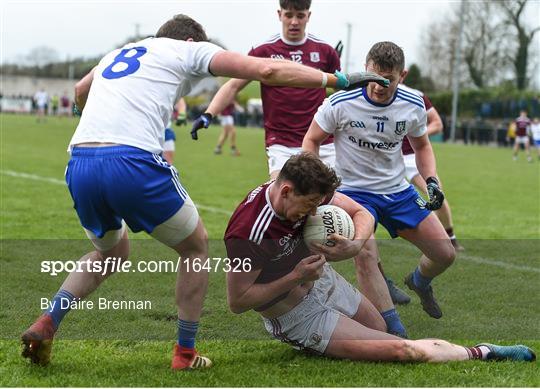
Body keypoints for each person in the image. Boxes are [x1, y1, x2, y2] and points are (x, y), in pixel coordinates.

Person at [20, 14, 384, 370]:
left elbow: (80, 90)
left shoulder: (123, 51)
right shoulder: (185, 50)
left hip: (81, 160)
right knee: (195, 248)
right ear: (192, 42)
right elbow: (266, 70)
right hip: (131, 160)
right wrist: (333, 78)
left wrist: (98, 118)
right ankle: (185, 353)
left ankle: (49, 321)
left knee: (110, 253)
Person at [224, 153, 535, 363]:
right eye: (309, 205)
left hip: (323, 283)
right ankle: (482, 352)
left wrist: (355, 244)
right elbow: (238, 301)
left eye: (320, 203)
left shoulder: (308, 190)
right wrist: (296, 276)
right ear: (287, 191)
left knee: (379, 329)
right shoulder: (248, 232)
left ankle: (336, 343)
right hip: (298, 316)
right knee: (400, 350)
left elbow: (360, 212)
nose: (315, 213)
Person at [303, 41, 457, 338]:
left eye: (388, 80)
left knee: (445, 254)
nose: (378, 87)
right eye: (374, 78)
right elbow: (311, 140)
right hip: (353, 192)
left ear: (404, 75)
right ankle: (393, 328)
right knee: (365, 252)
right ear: (366, 69)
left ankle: (420, 281)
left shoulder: (413, 103)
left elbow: (422, 146)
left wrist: (432, 180)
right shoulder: (340, 101)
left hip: (397, 191)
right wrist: (318, 183)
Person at [193, 0, 342, 178]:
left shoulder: (325, 51)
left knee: (329, 200)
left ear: (308, 16)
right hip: (281, 143)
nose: (294, 21)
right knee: (281, 197)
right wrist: (208, 113)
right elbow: (233, 85)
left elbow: (339, 95)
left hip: (322, 140)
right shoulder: (263, 51)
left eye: (300, 15)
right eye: (289, 15)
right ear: (280, 15)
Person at [382, 87, 464, 306]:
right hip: (386, 157)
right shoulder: (372, 93)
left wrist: (418, 130)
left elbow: (437, 122)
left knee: (438, 195)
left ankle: (450, 236)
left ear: (403, 74)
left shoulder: (415, 96)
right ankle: (382, 282)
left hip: (413, 157)